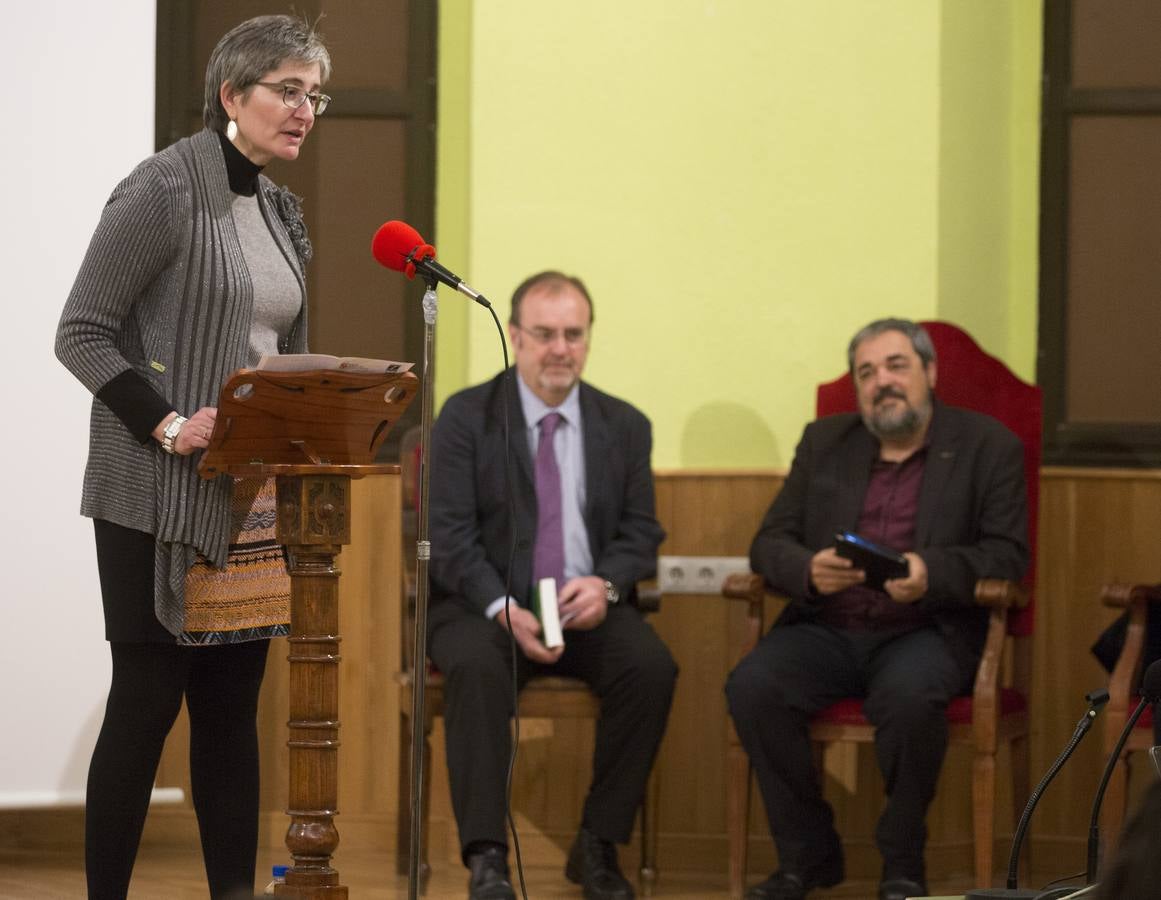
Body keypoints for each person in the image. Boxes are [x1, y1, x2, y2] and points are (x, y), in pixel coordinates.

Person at [54, 15, 331, 899]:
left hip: (248, 494)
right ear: (231, 95)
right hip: (154, 489)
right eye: (287, 90)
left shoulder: (279, 211)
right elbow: (81, 332)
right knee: (145, 705)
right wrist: (171, 425)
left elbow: (276, 349)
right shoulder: (164, 188)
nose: (305, 109)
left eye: (314, 95)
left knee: (228, 713)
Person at [724, 318, 1029, 900]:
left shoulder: (988, 446)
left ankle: (902, 861)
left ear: (929, 373)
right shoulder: (825, 442)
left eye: (896, 366)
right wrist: (808, 569)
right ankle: (808, 854)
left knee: (910, 698)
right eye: (866, 373)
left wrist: (929, 572)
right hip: (828, 625)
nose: (882, 382)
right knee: (753, 686)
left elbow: (1007, 555)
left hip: (925, 629)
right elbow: (769, 543)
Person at [427, 271, 678, 900]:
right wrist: (500, 606)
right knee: (475, 667)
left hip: (581, 604)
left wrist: (606, 586)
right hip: (485, 605)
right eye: (544, 334)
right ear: (515, 336)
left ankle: (597, 844)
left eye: (573, 334)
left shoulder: (625, 424)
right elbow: (449, 535)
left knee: (651, 668)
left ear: (588, 338)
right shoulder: (467, 416)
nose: (560, 349)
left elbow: (641, 532)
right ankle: (487, 858)